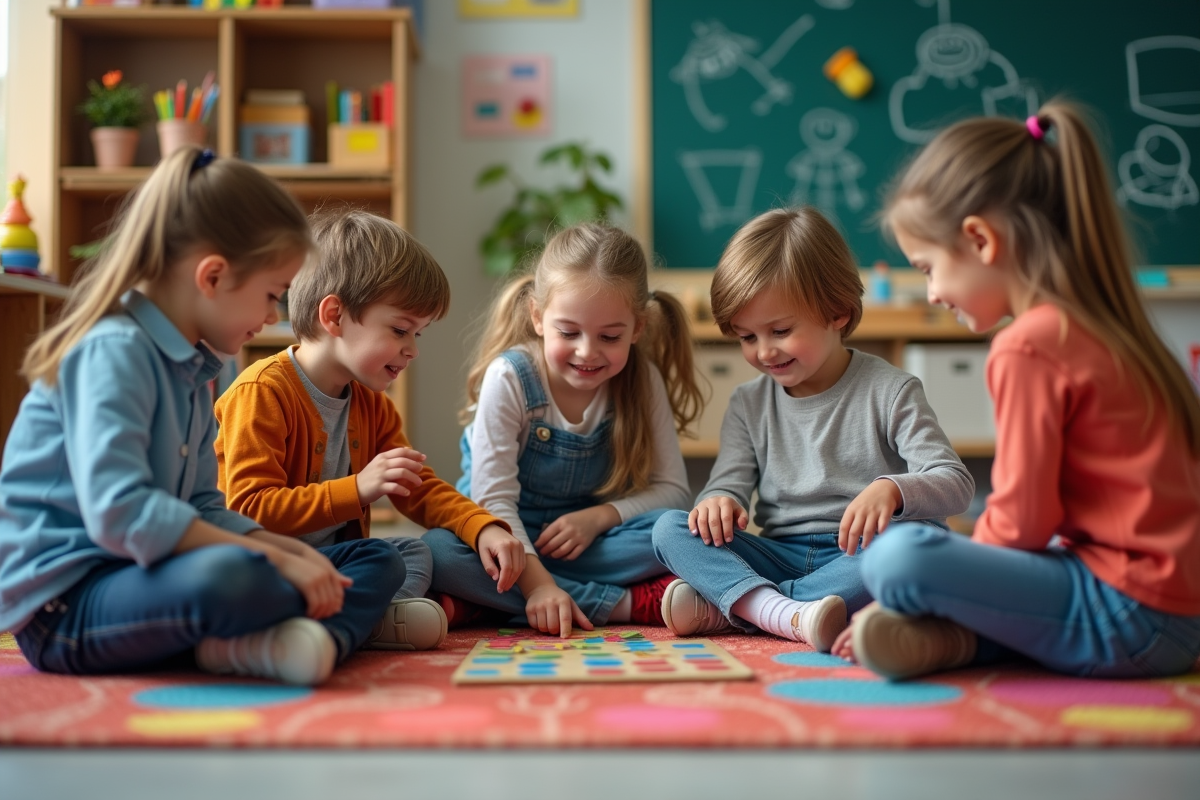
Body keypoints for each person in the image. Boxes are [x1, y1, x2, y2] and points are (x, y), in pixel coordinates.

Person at [0, 147, 406, 686]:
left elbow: (200, 506)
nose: (270, 318)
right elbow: (122, 515)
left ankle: (299, 641)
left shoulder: (193, 366)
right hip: (67, 605)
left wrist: (279, 547)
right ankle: (275, 637)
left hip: (146, 576)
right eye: (270, 296)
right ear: (212, 277)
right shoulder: (114, 352)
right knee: (236, 575)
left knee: (376, 559)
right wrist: (271, 560)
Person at [832, 102, 1200, 680]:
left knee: (896, 557)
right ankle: (953, 643)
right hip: (1177, 615)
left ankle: (951, 633)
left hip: (1129, 615)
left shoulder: (1029, 344)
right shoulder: (1110, 324)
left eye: (928, 268)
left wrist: (928, 583)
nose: (930, 293)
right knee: (962, 547)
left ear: (980, 240)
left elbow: (1023, 522)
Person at [652, 207, 974, 652]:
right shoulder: (748, 403)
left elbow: (955, 483)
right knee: (669, 528)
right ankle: (788, 610)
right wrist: (717, 502)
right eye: (747, 337)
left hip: (857, 554)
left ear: (838, 311)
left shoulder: (891, 389)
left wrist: (893, 490)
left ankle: (749, 608)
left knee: (922, 542)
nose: (764, 351)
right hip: (778, 554)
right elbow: (727, 484)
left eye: (780, 330)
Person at [216, 209, 524, 650]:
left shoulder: (372, 404)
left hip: (331, 562)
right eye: (401, 329)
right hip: (261, 563)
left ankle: (367, 618)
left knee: (410, 552)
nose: (413, 350)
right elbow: (248, 508)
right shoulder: (262, 391)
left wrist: (482, 526)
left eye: (419, 334)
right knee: (382, 557)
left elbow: (417, 487)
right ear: (335, 316)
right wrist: (357, 489)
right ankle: (336, 630)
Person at [427, 223, 705, 637]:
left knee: (679, 530)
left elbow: (672, 489)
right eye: (569, 332)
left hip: (588, 545)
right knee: (438, 553)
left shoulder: (642, 379)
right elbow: (492, 501)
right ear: (538, 317)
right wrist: (537, 584)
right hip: (502, 538)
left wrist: (597, 519)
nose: (587, 352)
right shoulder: (510, 377)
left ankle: (486, 604)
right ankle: (628, 604)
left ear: (638, 328)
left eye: (610, 336)